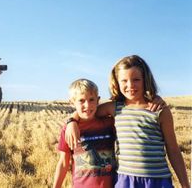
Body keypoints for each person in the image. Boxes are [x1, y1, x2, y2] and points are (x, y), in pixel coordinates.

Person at [65, 55, 190, 188]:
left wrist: (185, 185)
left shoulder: (160, 110)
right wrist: (71, 120)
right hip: (125, 180)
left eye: (136, 79)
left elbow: (173, 149)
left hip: (158, 180)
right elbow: (88, 111)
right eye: (124, 80)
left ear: (145, 80)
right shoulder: (114, 108)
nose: (130, 85)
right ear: (117, 83)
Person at [53, 79, 116, 188]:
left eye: (91, 99)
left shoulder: (109, 123)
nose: (87, 105)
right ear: (72, 102)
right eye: (81, 100)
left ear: (98, 100)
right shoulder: (69, 130)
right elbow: (63, 163)